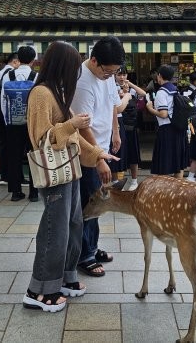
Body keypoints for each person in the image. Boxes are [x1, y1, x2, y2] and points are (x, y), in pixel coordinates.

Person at [23, 41, 118, 313]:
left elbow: (74, 139)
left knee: (74, 223)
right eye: (73, 65)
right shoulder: (41, 93)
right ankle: (40, 290)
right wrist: (71, 124)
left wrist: (99, 154)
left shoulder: (58, 91)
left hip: (70, 170)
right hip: (55, 174)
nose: (77, 71)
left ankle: (65, 277)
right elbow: (42, 138)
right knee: (56, 229)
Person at [71, 36, 125, 277]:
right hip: (87, 151)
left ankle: (92, 245)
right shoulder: (82, 82)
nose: (109, 76)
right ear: (93, 61)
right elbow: (83, 126)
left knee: (98, 200)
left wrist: (116, 131)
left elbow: (113, 103)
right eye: (107, 71)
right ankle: (85, 255)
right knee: (90, 202)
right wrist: (98, 158)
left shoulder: (107, 73)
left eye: (114, 72)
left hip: (103, 144)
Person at [1, 46, 38, 202]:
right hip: (31, 124)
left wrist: (7, 120)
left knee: (14, 156)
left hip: (12, 122)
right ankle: (34, 193)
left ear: (18, 58)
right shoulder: (36, 76)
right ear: (33, 60)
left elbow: (4, 100)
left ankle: (16, 192)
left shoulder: (8, 75)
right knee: (33, 156)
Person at [145, 64, 189, 179]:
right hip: (179, 128)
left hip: (167, 130)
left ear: (159, 76)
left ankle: (165, 192)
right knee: (178, 164)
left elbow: (163, 114)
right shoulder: (175, 90)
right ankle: (178, 191)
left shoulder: (161, 92)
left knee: (164, 163)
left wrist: (150, 109)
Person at [0, 53, 20, 183]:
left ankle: (4, 175)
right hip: (8, 113)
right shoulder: (11, 73)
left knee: (3, 143)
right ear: (15, 62)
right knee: (13, 145)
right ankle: (14, 176)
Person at [117, 68, 146, 191]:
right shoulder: (111, 87)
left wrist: (130, 85)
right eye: (119, 74)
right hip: (118, 125)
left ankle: (134, 181)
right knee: (118, 153)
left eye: (124, 74)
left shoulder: (132, 90)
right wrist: (122, 93)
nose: (122, 77)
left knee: (133, 153)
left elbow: (143, 94)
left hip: (131, 126)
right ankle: (117, 181)